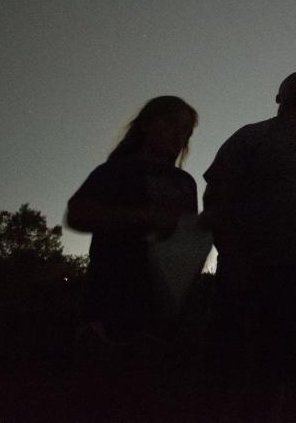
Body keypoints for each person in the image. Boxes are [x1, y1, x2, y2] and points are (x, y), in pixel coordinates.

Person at [203, 71, 296, 423]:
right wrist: (233, 257)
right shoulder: (252, 137)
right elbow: (216, 196)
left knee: (283, 377)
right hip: (252, 273)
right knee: (236, 373)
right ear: (277, 96)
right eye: (295, 80)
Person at [66, 96, 200, 422]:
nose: (178, 134)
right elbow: (78, 214)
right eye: (171, 123)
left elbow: (184, 243)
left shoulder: (185, 182)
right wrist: (143, 217)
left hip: (161, 312)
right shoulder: (116, 171)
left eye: (186, 129)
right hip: (110, 303)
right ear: (146, 125)